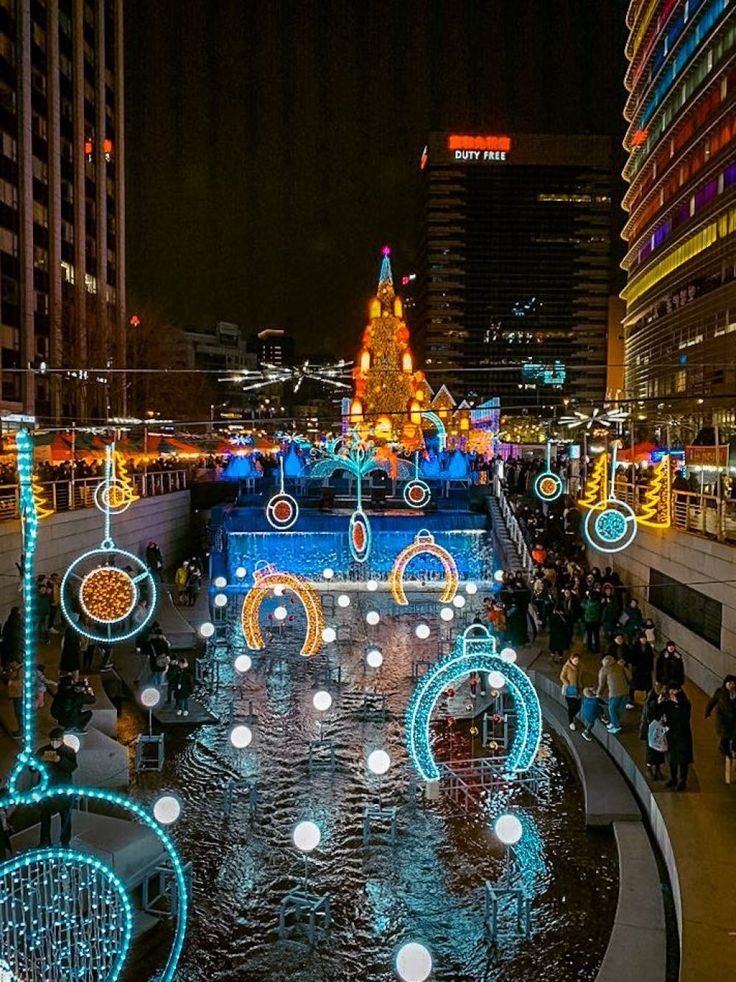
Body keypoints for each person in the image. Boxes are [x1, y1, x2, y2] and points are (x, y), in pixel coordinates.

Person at [36, 726, 78, 847]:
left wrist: (60, 760)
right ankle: (45, 841)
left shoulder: (69, 751)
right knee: (45, 817)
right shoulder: (43, 750)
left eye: (57, 739)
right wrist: (36, 762)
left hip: (63, 789)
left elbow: (72, 767)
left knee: (65, 817)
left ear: (62, 739)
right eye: (52, 739)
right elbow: (33, 767)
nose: (54, 742)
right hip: (47, 789)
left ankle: (65, 841)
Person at [656, 686, 693, 790]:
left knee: (683, 760)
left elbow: (685, 717)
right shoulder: (667, 704)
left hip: (683, 735)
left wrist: (678, 702)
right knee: (672, 759)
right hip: (671, 735)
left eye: (675, 690)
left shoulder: (685, 703)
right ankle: (673, 779)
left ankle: (682, 781)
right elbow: (657, 714)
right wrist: (659, 703)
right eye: (671, 690)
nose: (673, 693)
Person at [596, 655, 631, 735]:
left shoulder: (604, 670)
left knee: (612, 709)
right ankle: (614, 722)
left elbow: (602, 684)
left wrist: (598, 693)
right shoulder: (619, 666)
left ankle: (616, 727)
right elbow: (629, 676)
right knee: (620, 709)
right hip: (625, 691)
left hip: (615, 693)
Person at [705, 675, 736, 757]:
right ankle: (726, 752)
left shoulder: (734, 693)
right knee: (726, 735)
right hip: (723, 720)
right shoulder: (720, 692)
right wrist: (707, 712)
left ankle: (726, 749)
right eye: (730, 683)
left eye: (733, 684)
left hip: (733, 720)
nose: (732, 685)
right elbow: (712, 702)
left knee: (730, 735)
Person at [640, 685, 666, 780]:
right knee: (651, 750)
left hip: (658, 729)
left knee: (659, 749)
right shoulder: (651, 702)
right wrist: (658, 704)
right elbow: (650, 714)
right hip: (651, 729)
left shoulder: (661, 699)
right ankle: (649, 768)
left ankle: (657, 769)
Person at [628, 633, 654, 708]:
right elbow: (632, 657)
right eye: (642, 638)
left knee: (648, 684)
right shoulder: (635, 647)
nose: (644, 640)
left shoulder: (648, 647)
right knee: (634, 684)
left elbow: (651, 658)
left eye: (645, 638)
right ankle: (631, 697)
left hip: (646, 669)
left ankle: (648, 697)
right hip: (638, 669)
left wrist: (651, 668)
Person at [560, 653, 582, 730]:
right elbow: (562, 676)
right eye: (575, 660)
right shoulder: (567, 667)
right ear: (571, 659)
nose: (577, 662)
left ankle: (572, 717)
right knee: (571, 706)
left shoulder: (580, 666)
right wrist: (567, 683)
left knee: (578, 705)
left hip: (578, 688)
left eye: (578, 660)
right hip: (570, 688)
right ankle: (571, 721)